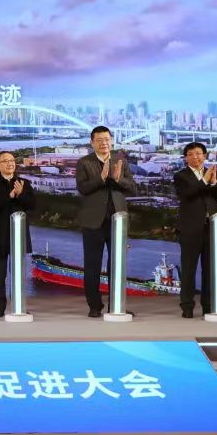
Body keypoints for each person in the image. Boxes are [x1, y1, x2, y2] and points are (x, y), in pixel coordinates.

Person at [75, 126, 137, 318]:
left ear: (111, 141)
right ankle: (94, 306)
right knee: (92, 266)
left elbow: (132, 189)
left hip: (117, 221)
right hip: (93, 222)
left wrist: (118, 179)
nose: (104, 143)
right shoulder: (84, 162)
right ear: (92, 143)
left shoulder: (120, 161)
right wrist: (101, 178)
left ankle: (116, 305)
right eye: (99, 140)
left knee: (117, 265)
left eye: (107, 139)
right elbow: (83, 188)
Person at [173, 142, 217, 318]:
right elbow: (186, 195)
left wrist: (214, 182)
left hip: (212, 227)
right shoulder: (181, 176)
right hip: (190, 228)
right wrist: (204, 180)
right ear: (186, 158)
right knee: (188, 269)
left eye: (198, 153)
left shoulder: (213, 173)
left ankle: (208, 306)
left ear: (204, 156)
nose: (195, 157)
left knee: (210, 270)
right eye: (190, 154)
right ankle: (187, 307)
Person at [0, 151, 35, 317]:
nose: (10, 163)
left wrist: (20, 195)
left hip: (19, 235)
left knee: (18, 274)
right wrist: (9, 195)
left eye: (12, 160)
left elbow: (32, 205)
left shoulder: (24, 183)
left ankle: (18, 306)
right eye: (5, 161)